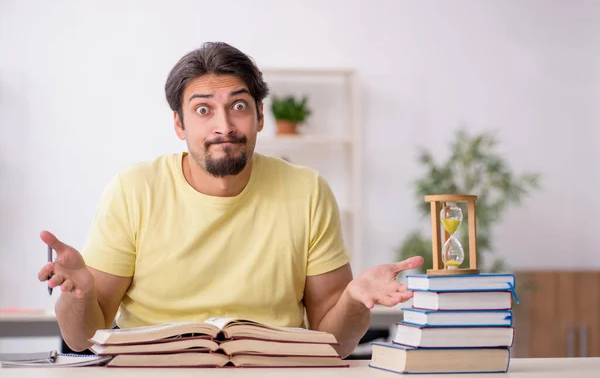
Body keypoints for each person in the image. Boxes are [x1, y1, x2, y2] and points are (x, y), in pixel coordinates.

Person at [37, 42, 423, 358]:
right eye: (203, 110)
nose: (224, 125)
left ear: (259, 116)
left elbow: (334, 344)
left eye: (238, 106)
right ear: (179, 124)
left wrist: (355, 299)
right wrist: (79, 294)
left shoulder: (307, 190)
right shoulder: (133, 188)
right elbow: (82, 337)